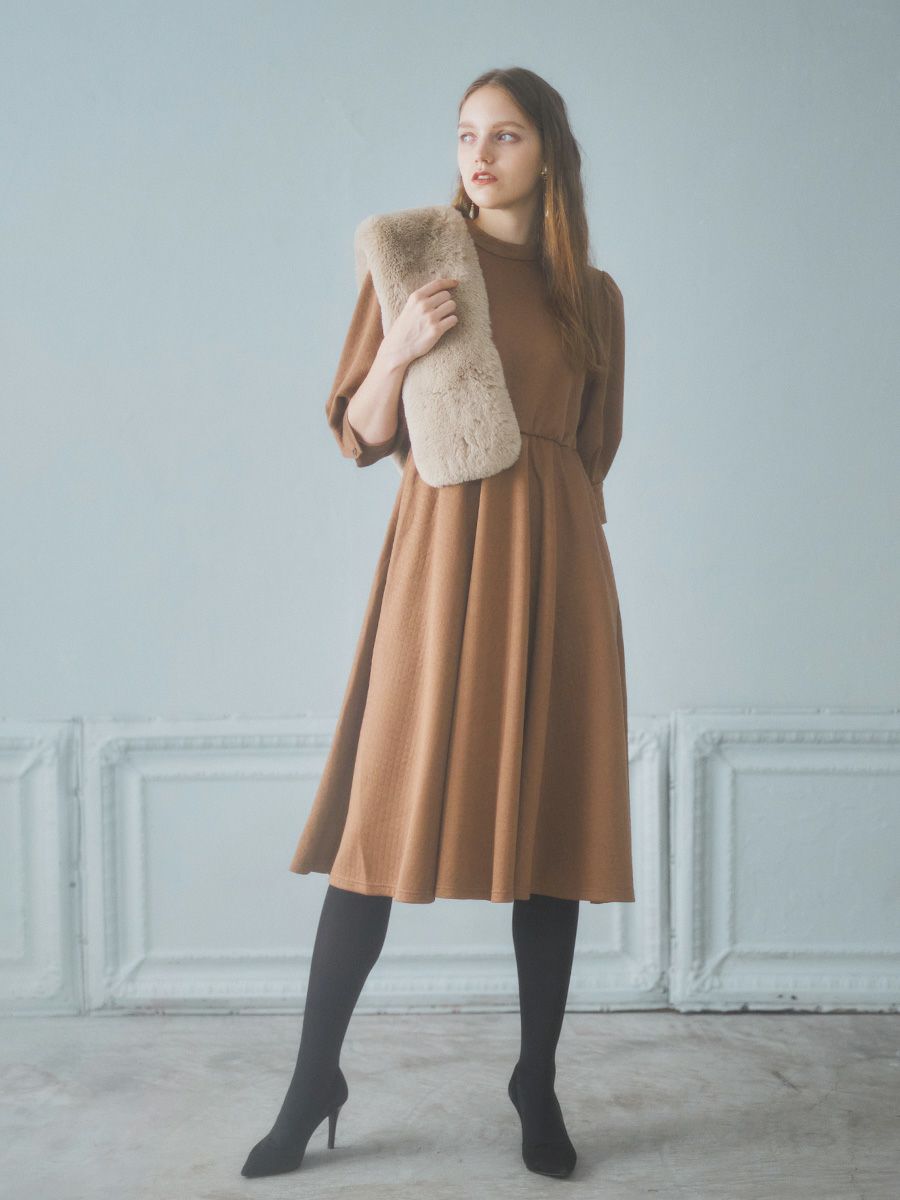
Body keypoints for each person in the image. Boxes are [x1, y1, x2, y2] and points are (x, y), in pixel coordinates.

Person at [241, 65, 634, 1182]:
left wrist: (550, 527)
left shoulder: (594, 296)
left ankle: (536, 1082)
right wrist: (403, 343)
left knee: (551, 829)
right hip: (441, 557)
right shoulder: (417, 259)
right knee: (379, 821)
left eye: (504, 136)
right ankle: (312, 1081)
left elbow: (595, 448)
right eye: (466, 135)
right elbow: (360, 434)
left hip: (557, 562)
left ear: (548, 154)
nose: (480, 155)